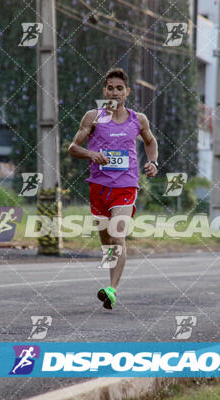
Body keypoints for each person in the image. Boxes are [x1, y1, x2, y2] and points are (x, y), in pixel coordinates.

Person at [68, 68, 159, 309]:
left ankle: (112, 289)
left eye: (120, 88)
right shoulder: (93, 117)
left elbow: (150, 141)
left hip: (126, 186)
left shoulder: (138, 119)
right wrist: (91, 154)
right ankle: (110, 285)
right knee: (106, 240)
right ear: (104, 91)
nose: (115, 92)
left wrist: (153, 162)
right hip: (99, 186)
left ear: (127, 92)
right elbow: (72, 148)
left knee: (118, 234)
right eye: (110, 88)